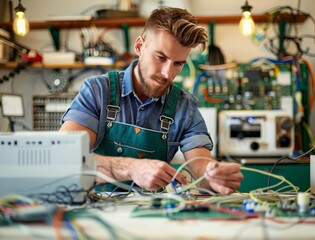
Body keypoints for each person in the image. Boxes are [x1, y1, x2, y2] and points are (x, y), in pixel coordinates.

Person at [60, 6, 243, 194]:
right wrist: (132, 168)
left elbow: (200, 165)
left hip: (152, 216)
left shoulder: (185, 107)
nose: (167, 73)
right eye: (160, 57)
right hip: (93, 211)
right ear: (140, 46)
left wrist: (213, 176)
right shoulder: (98, 91)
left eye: (178, 63)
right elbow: (66, 156)